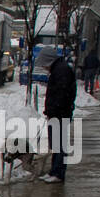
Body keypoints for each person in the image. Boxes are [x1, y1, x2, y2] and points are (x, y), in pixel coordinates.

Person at [40, 52, 76, 184]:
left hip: (60, 114)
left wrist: (53, 110)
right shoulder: (59, 69)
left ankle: (58, 173)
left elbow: (61, 94)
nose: (44, 68)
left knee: (59, 144)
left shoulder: (61, 71)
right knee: (55, 144)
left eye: (44, 65)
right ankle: (54, 171)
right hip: (57, 113)